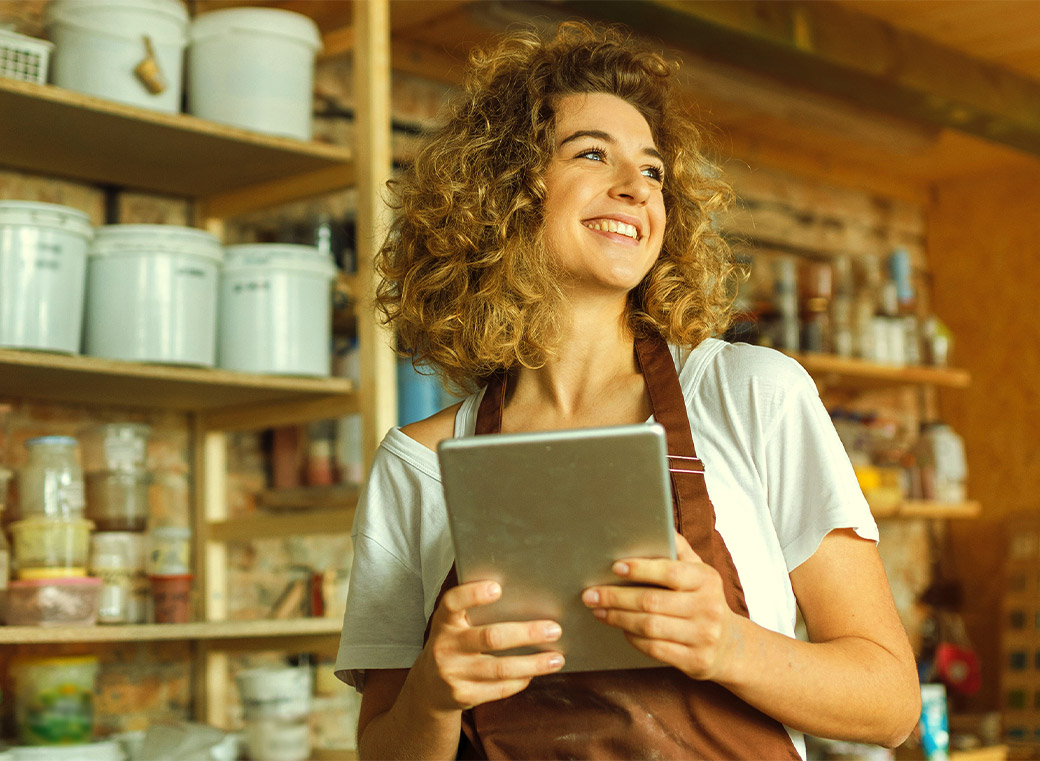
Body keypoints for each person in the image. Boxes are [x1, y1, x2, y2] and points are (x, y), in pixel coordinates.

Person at [335, 20, 920, 760]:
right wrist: (433, 691)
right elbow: (383, 748)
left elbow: (893, 703)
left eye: (652, 172)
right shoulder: (417, 466)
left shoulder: (752, 395)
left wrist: (729, 645)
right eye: (591, 154)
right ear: (505, 191)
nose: (634, 188)